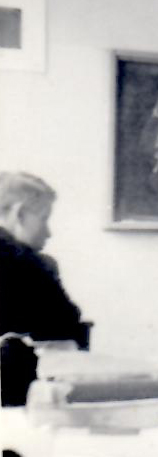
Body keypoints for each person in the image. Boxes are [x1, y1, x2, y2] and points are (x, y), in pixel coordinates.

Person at [0, 172, 83, 406]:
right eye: (44, 218)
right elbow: (68, 327)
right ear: (20, 213)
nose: (49, 232)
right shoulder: (29, 264)